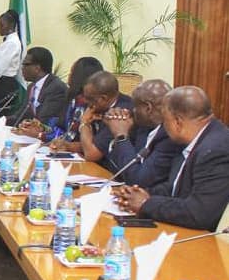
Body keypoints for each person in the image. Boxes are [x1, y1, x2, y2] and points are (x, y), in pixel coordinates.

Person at [115, 86, 229, 231]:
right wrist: (137, 194)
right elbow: (175, 187)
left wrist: (146, 203)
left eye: (164, 121)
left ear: (177, 122)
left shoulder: (215, 150)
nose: (163, 126)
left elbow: (200, 214)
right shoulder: (197, 139)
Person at [102, 79, 182, 189]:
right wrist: (116, 124)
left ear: (148, 108)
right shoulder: (142, 128)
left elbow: (138, 180)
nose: (132, 111)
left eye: (135, 106)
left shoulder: (169, 138)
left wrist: (121, 136)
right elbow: (119, 168)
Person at [76, 70, 133, 163]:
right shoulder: (100, 106)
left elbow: (91, 154)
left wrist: (84, 123)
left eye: (89, 98)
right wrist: (68, 146)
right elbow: (96, 144)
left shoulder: (120, 112)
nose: (85, 101)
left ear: (103, 98)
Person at [49, 56, 104, 150]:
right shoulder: (71, 98)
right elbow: (61, 128)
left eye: (72, 73)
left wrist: (67, 145)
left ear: (79, 77)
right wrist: (41, 131)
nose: (69, 76)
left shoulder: (95, 105)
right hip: (62, 151)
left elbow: (96, 143)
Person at [9, 46, 68, 134]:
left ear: (37, 68)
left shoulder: (56, 87)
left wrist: (26, 125)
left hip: (50, 138)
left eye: (25, 64)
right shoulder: (31, 87)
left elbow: (44, 120)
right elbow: (20, 115)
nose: (22, 68)